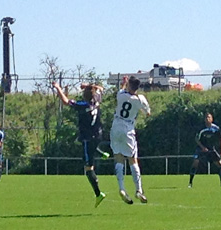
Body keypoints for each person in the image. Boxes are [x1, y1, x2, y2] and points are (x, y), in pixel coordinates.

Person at [52, 81, 107, 208]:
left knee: (88, 168)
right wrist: (88, 85)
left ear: (84, 95)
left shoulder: (82, 105)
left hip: (87, 138)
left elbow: (66, 101)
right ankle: (102, 153)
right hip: (98, 135)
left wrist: (58, 88)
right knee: (87, 147)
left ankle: (98, 194)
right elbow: (101, 88)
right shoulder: (96, 99)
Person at [110, 76, 150, 205]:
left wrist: (124, 83)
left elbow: (122, 89)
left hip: (116, 126)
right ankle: (138, 190)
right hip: (128, 128)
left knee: (118, 157)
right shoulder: (140, 99)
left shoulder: (121, 95)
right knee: (133, 160)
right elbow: (148, 113)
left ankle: (121, 187)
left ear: (128, 85)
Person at [188, 112, 221, 188]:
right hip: (201, 149)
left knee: (220, 164)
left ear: (212, 119)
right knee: (195, 162)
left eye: (209, 117)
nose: (207, 119)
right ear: (204, 120)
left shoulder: (216, 128)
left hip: (211, 149)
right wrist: (202, 147)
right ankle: (190, 183)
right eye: (206, 117)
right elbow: (197, 139)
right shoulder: (201, 129)